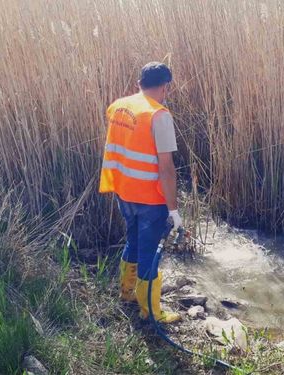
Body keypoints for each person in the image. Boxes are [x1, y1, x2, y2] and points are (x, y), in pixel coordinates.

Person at [99, 62, 182, 323]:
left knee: (132, 241)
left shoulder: (119, 106)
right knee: (149, 253)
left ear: (139, 84)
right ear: (165, 87)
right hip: (149, 198)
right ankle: (151, 313)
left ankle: (127, 292)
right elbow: (166, 169)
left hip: (124, 192)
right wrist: (174, 210)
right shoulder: (159, 115)